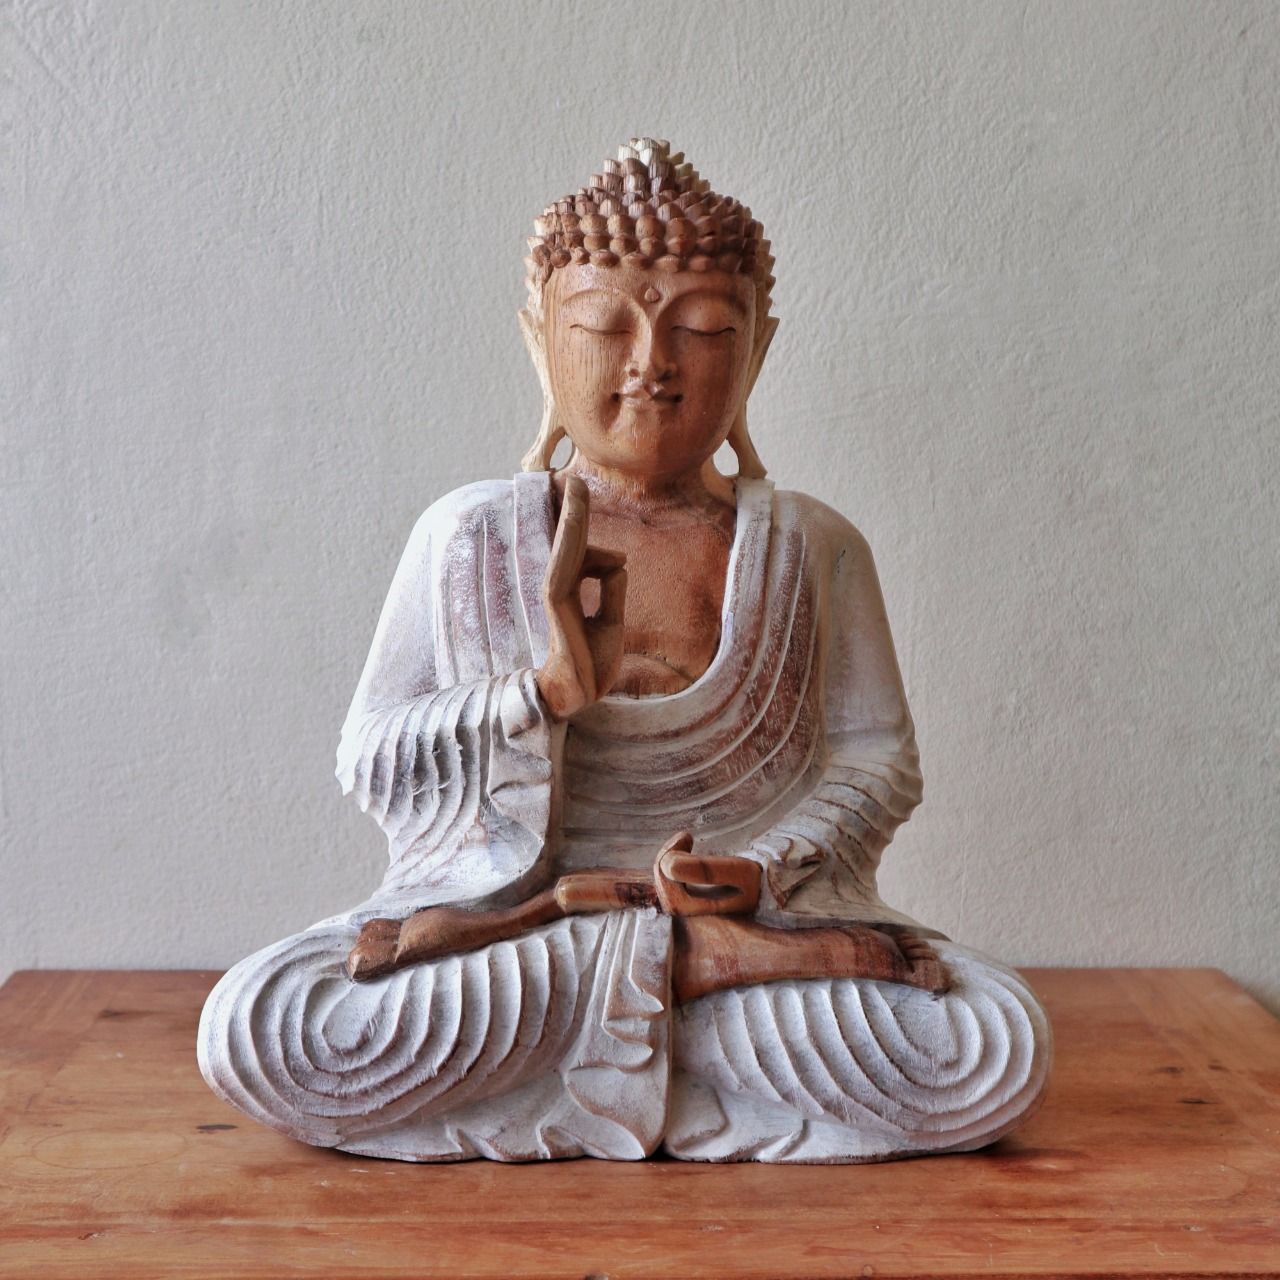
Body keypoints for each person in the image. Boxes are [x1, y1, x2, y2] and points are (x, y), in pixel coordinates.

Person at [198, 139, 1050, 1163]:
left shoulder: (813, 545)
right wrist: (540, 695)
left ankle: (677, 983)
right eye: (604, 326)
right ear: (539, 344)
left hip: (749, 928)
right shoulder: (467, 537)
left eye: (703, 328)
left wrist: (759, 871)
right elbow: (372, 756)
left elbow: (876, 764)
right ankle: (685, 978)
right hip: (522, 932)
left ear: (756, 352)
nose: (652, 362)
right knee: (267, 1023)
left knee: (989, 1042)